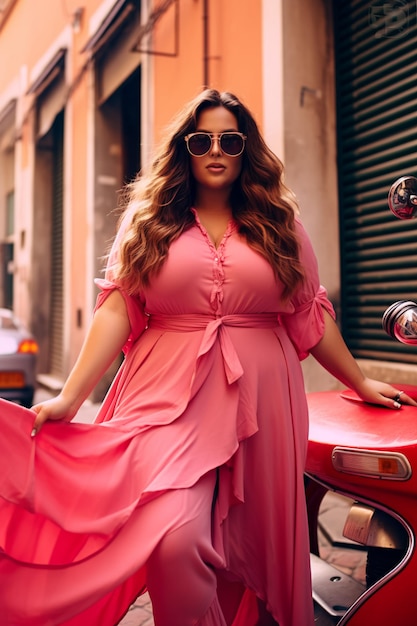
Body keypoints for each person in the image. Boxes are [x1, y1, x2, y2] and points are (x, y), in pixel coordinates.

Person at [0, 89, 415, 626]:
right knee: (175, 539)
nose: (215, 149)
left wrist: (360, 381)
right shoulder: (149, 221)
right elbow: (118, 311)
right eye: (202, 139)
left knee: (249, 546)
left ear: (246, 149)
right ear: (185, 149)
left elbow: (309, 317)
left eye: (229, 139)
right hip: (166, 398)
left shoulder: (279, 223)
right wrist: (70, 395)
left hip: (264, 400)